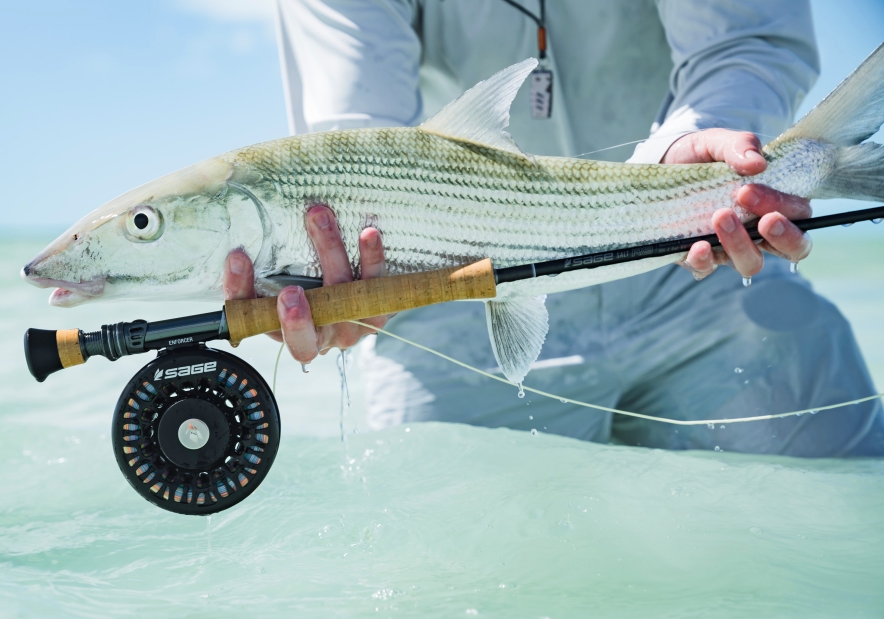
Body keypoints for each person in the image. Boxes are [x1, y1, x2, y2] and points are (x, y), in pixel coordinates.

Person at [223, 0, 884, 456]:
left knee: (844, 502)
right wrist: (339, 269)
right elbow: (357, 142)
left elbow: (744, 36)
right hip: (457, 307)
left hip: (698, 273)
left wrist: (702, 154)